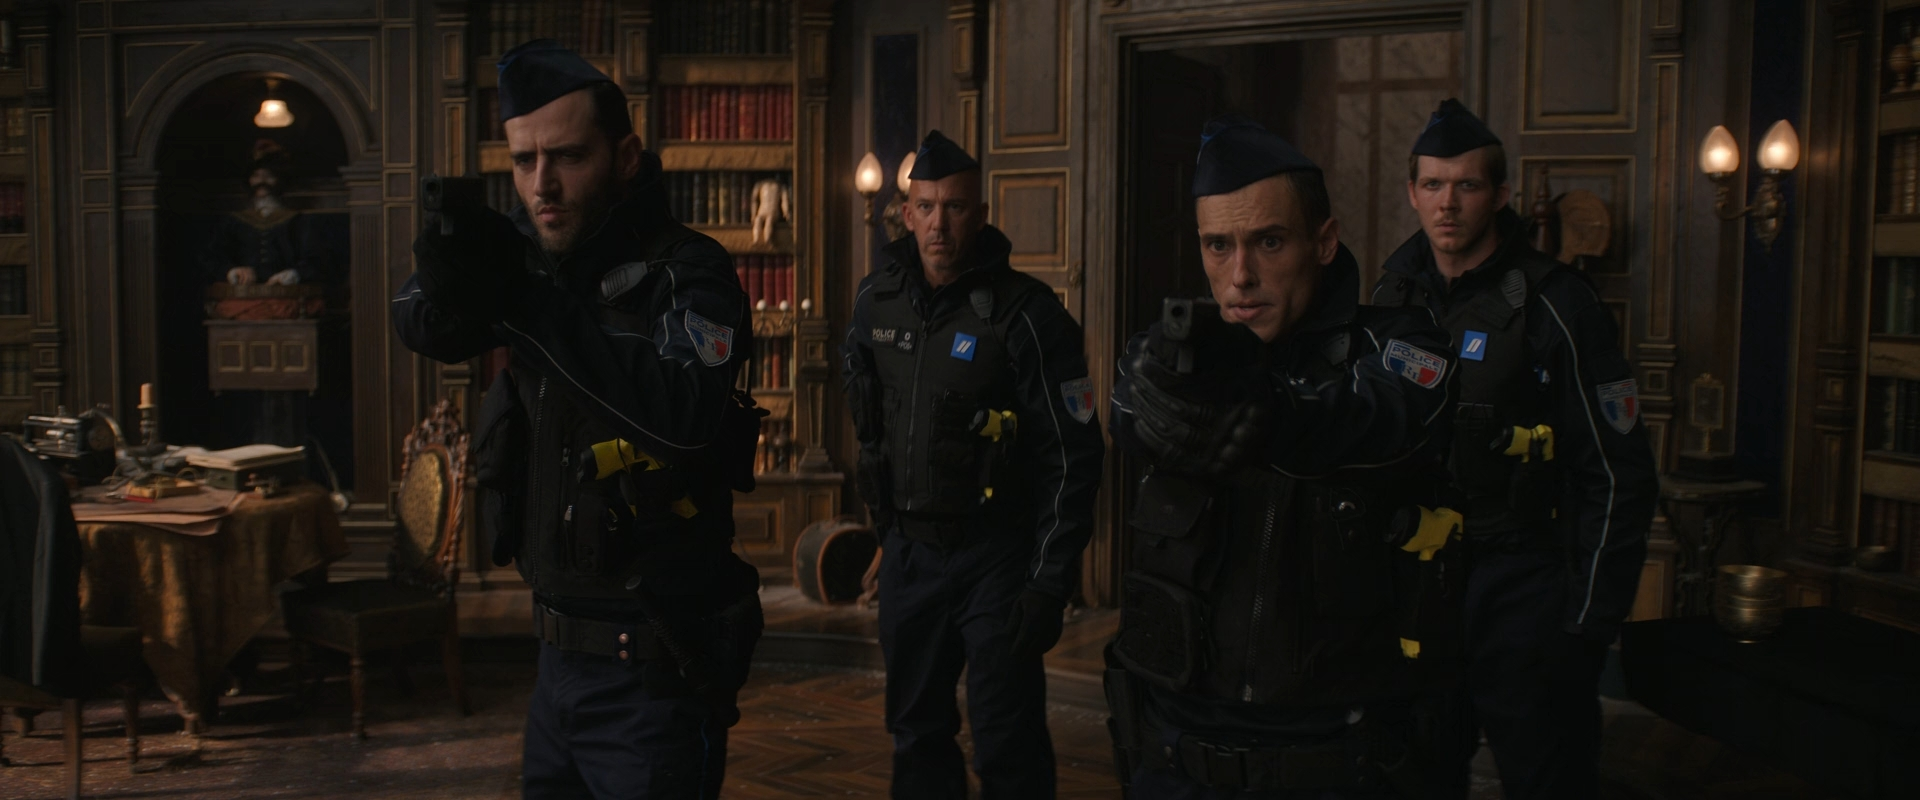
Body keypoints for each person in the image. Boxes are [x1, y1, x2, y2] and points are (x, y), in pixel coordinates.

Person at [391, 39, 763, 799]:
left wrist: (530, 302)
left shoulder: (688, 271)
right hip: (555, 659)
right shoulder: (534, 259)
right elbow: (421, 322)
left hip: (655, 665)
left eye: (567, 157)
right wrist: (448, 265)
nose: (542, 185)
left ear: (625, 157)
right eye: (523, 161)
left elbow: (685, 415)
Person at [1104, 117, 1464, 798]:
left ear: (1323, 242)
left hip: (1335, 753)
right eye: (1219, 246)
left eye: (1269, 242)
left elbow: (1374, 422)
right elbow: (1131, 417)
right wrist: (1172, 397)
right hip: (1175, 742)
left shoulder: (1400, 347)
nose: (1240, 276)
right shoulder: (1173, 356)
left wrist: (1267, 413)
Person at [1371, 99, 1657, 800]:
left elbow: (1617, 474)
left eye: (1467, 185)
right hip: (1418, 588)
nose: (1447, 203)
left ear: (1500, 194)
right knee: (1413, 778)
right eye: (1433, 185)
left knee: (1548, 779)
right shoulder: (1388, 295)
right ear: (1412, 192)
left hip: (1525, 586)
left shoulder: (1559, 303)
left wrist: (1589, 626)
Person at [840, 130, 1106, 799]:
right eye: (927, 207)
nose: (940, 224)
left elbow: (1072, 457)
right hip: (911, 559)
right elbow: (871, 427)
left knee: (1007, 740)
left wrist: (1049, 582)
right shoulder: (875, 302)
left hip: (997, 559)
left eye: (955, 207)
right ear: (906, 214)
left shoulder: (1029, 316)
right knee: (915, 733)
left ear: (980, 214)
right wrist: (888, 535)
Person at [201, 139, 329, 287]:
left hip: (288, 294)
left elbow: (318, 262)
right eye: (256, 176)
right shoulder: (232, 222)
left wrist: (294, 274)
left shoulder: (299, 221)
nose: (261, 182)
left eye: (269, 176)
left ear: (280, 180)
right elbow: (211, 257)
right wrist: (231, 271)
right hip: (240, 294)